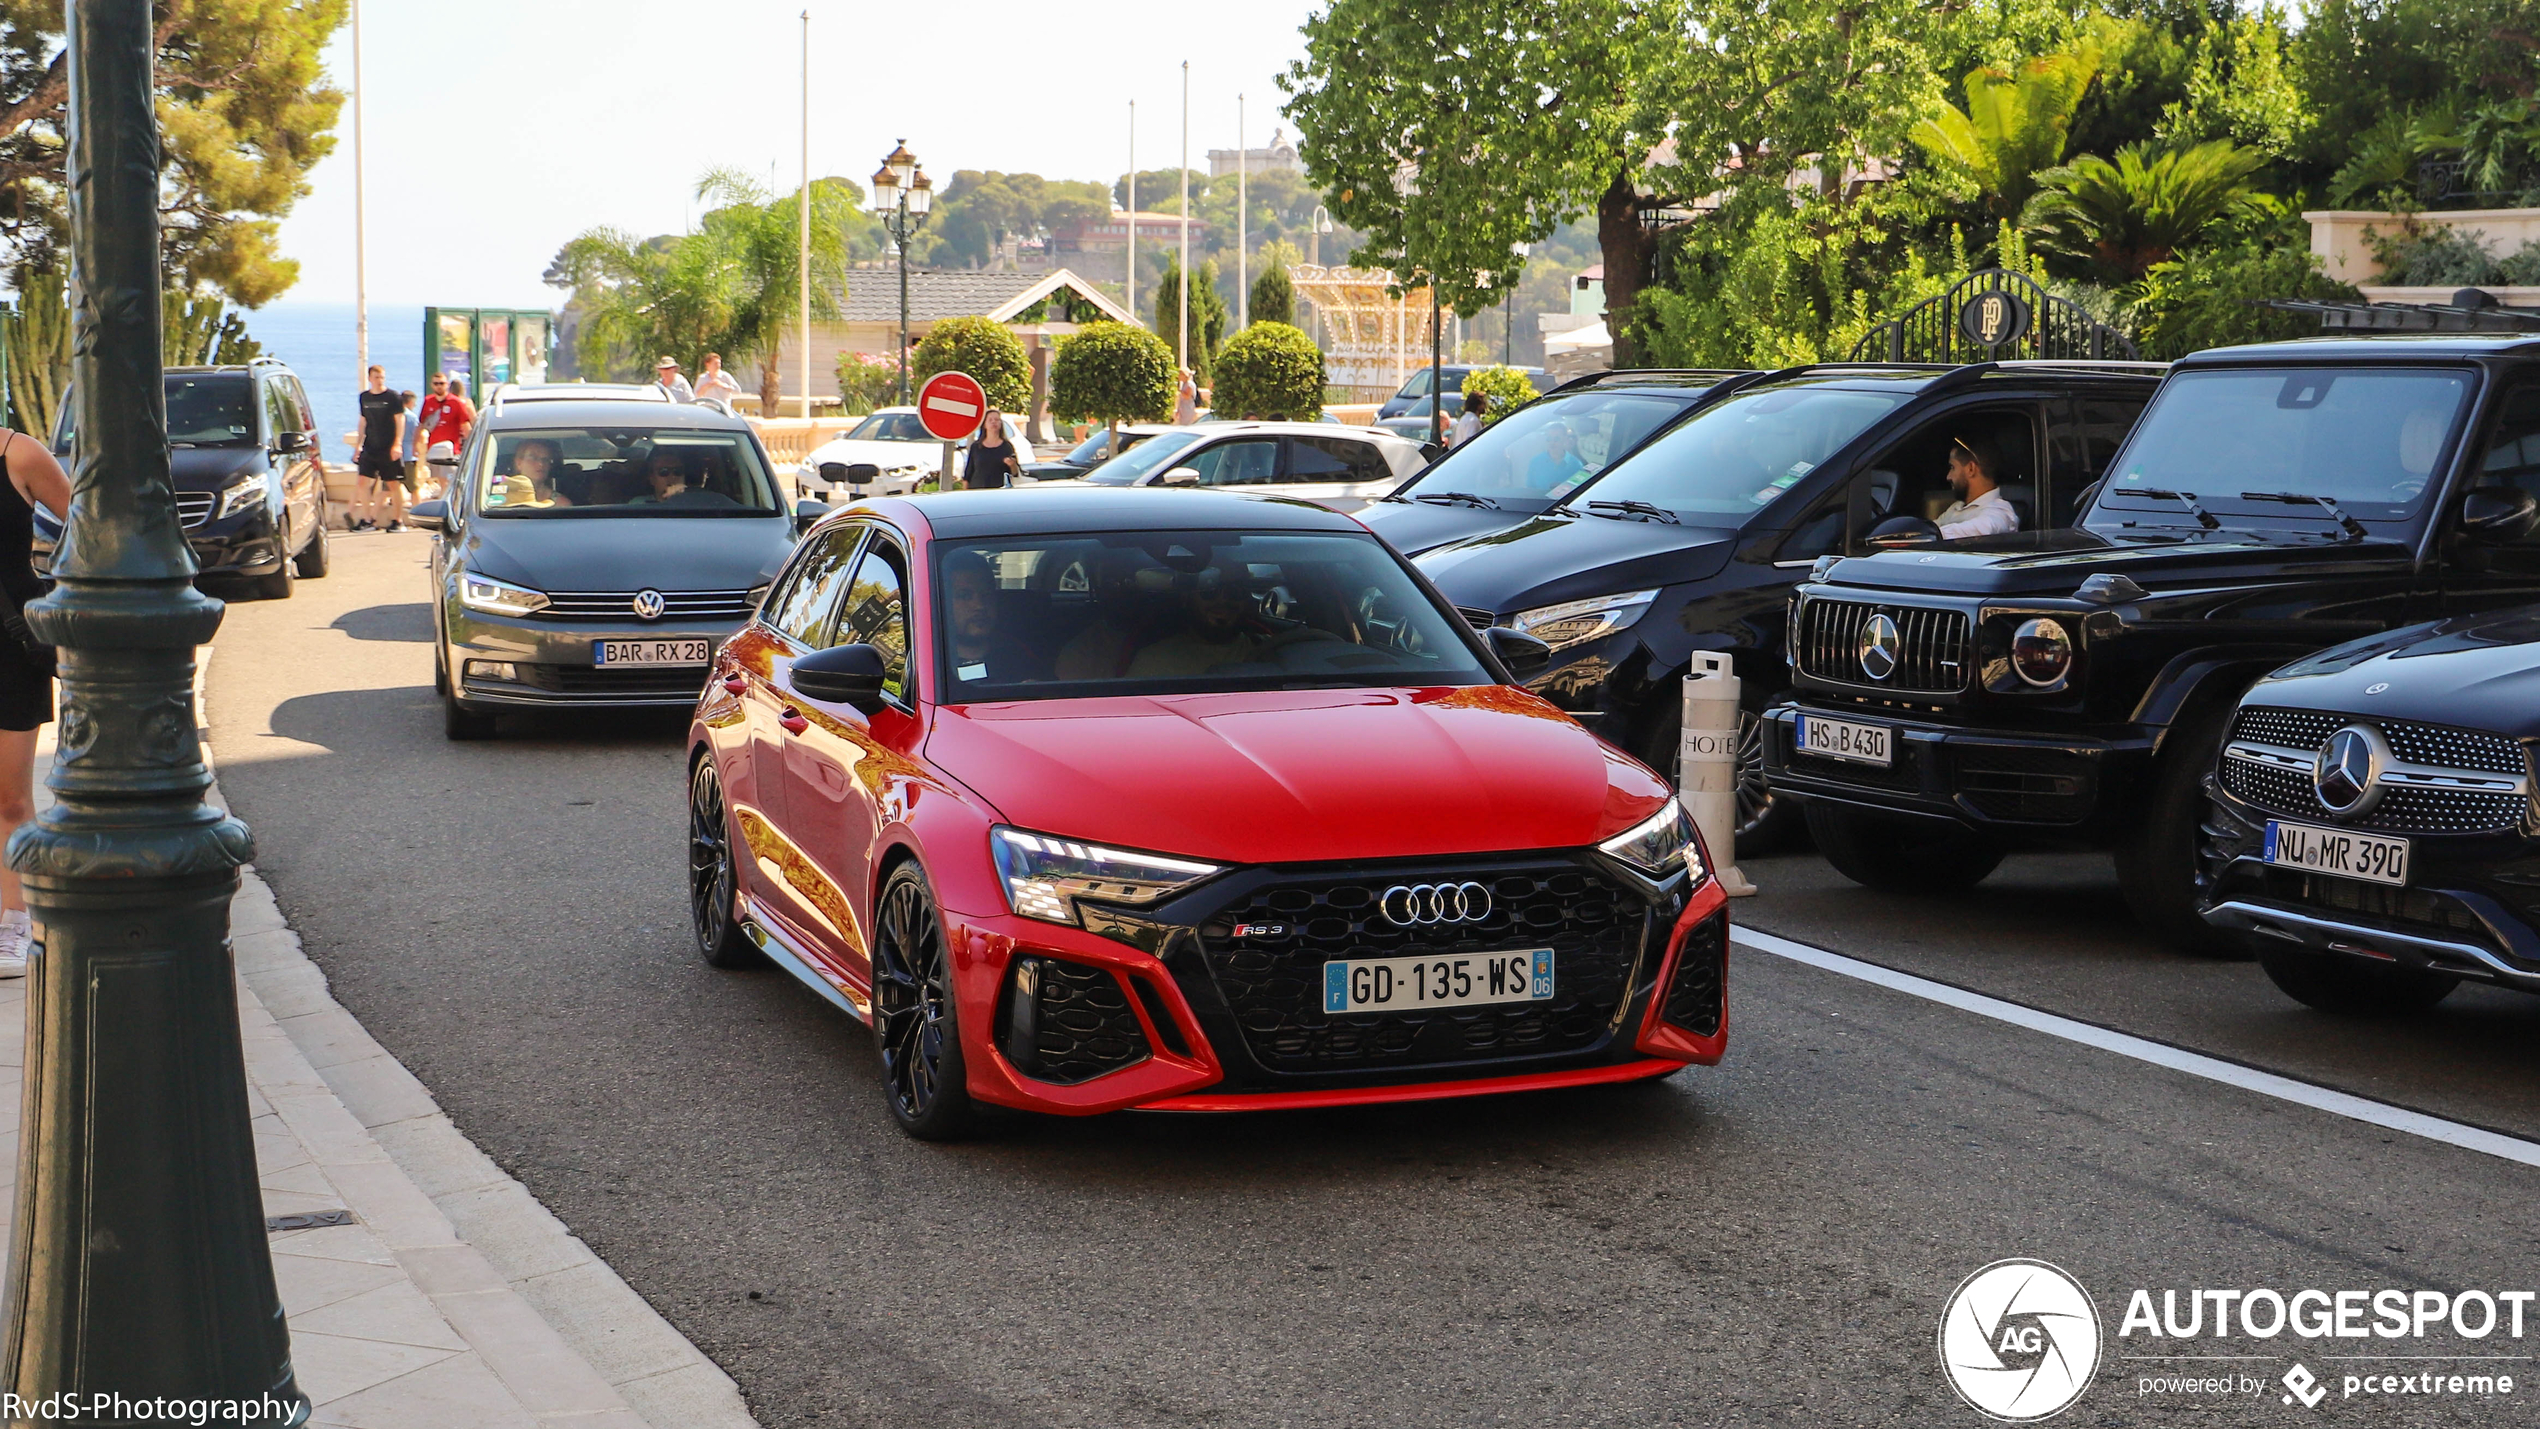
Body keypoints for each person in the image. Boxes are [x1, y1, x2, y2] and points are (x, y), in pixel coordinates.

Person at [0, 427, 70, 976]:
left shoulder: (17, 453)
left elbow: (92, 528)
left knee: (9, 798)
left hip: (8, 643)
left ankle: (14, 920)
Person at [1128, 570, 1266, 677]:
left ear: (1247, 600)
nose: (1222, 601)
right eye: (1209, 592)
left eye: (1235, 592)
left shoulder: (1273, 651)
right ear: (1186, 598)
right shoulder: (1153, 661)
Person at [942, 551, 1039, 683]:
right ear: (943, 601)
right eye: (965, 596)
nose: (979, 605)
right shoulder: (931, 662)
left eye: (986, 595)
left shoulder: (1017, 654)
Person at [1935, 433, 2019, 539]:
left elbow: (1985, 528)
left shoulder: (2000, 513)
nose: (1948, 476)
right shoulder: (1957, 507)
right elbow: (1932, 527)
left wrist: (1932, 535)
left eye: (1952, 467)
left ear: (1971, 469)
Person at [353, 365, 406, 532]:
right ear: (370, 378)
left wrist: (397, 443)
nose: (379, 380)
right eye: (376, 377)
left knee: (392, 484)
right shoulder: (364, 398)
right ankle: (368, 520)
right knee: (362, 481)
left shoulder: (393, 397)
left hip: (388, 447)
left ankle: (397, 520)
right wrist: (358, 445)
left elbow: (400, 420)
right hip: (370, 447)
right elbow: (363, 421)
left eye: (382, 377)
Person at [416, 372, 475, 486]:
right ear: (432, 385)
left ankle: (447, 502)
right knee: (439, 481)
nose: (439, 386)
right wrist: (415, 445)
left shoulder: (457, 403)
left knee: (448, 482)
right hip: (433, 450)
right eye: (436, 383)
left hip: (451, 451)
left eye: (441, 383)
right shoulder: (428, 401)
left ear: (447, 385)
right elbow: (421, 424)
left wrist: (472, 442)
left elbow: (466, 423)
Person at [499, 438, 572, 507]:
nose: (540, 464)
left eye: (545, 459)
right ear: (518, 463)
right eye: (533, 458)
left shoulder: (561, 504)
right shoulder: (498, 498)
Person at [963, 410, 1022, 490]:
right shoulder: (976, 447)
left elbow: (1015, 473)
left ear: (1001, 424)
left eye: (997, 420)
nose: (993, 422)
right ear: (984, 424)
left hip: (998, 491)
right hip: (977, 491)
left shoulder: (1007, 446)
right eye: (990, 420)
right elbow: (968, 472)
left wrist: (1012, 464)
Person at [1524, 421, 1585, 492]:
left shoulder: (1576, 465)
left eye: (1556, 439)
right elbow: (1530, 490)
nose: (1552, 442)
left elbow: (1580, 492)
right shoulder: (1535, 462)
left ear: (1565, 439)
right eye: (1549, 439)